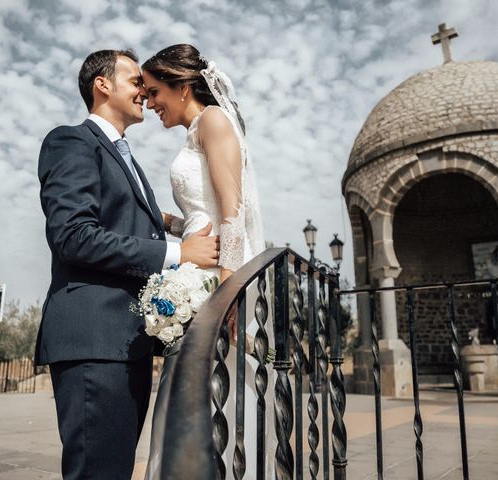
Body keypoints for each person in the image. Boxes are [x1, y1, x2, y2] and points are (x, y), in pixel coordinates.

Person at [35, 48, 219, 480]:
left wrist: (188, 223)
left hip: (128, 343)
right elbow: (73, 237)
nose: (145, 91)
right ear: (102, 84)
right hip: (94, 341)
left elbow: (139, 224)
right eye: (135, 80)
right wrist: (180, 254)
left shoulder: (128, 159)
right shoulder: (71, 140)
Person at [140, 44, 276, 479]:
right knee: (194, 390)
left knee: (208, 390)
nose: (149, 101)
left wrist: (228, 289)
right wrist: (162, 220)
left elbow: (232, 210)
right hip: (197, 269)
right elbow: (206, 220)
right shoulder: (196, 129)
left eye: (154, 91)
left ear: (182, 88)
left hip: (217, 280)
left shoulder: (213, 121)